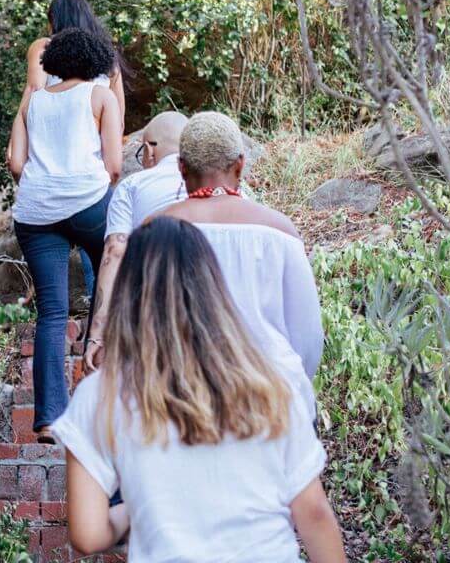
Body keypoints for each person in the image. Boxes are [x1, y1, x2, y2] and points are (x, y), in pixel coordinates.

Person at [51, 217, 347, 562]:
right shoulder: (270, 384)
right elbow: (314, 514)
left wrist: (134, 512)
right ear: (213, 287)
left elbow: (87, 535)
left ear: (128, 295)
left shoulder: (101, 394)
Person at [8, 27, 124, 442]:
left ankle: (48, 419)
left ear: (54, 62)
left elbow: (17, 165)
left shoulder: (34, 102)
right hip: (88, 203)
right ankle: (98, 401)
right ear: (94, 61)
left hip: (36, 213)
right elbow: (113, 167)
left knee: (52, 314)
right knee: (110, 289)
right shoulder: (101, 97)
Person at [158, 111, 324, 383]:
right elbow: (308, 337)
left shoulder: (153, 230)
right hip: (273, 397)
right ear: (239, 165)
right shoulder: (280, 231)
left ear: (181, 167)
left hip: (183, 398)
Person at [7, 0, 132, 294]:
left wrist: (16, 144)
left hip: (45, 175)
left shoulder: (43, 49)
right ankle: (95, 304)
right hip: (92, 172)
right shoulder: (107, 59)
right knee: (100, 249)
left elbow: (34, 90)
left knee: (51, 308)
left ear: (54, 19)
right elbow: (119, 120)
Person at [84, 110, 189, 370]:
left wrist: (98, 333)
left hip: (150, 315)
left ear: (151, 149)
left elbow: (115, 254)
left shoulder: (132, 187)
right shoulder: (224, 190)